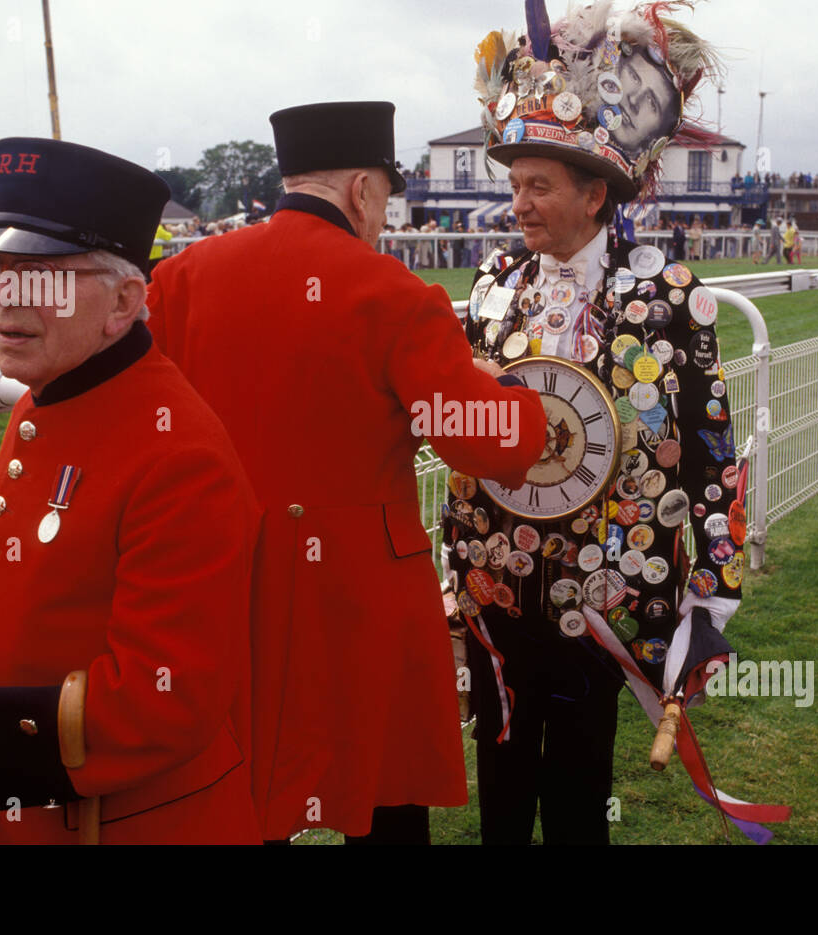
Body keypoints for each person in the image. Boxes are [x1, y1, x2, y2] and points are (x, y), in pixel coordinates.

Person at [146, 101, 545, 844]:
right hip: (362, 600)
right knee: (387, 805)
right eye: (385, 199)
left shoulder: (184, 278)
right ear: (363, 190)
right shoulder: (393, 293)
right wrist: (510, 389)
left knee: (235, 788)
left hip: (228, 582)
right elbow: (486, 443)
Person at [0, 138, 261, 843]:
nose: (4, 300)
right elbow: (58, 569)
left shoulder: (179, 454)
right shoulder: (51, 396)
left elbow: (168, 698)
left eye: (41, 277)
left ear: (125, 302)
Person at [461, 2, 784, 846]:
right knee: (497, 784)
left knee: (576, 792)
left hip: (604, 595)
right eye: (515, 185)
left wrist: (712, 594)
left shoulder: (668, 295)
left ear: (594, 193)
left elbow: (710, 454)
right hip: (497, 587)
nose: (519, 206)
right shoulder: (493, 288)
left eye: (538, 186)